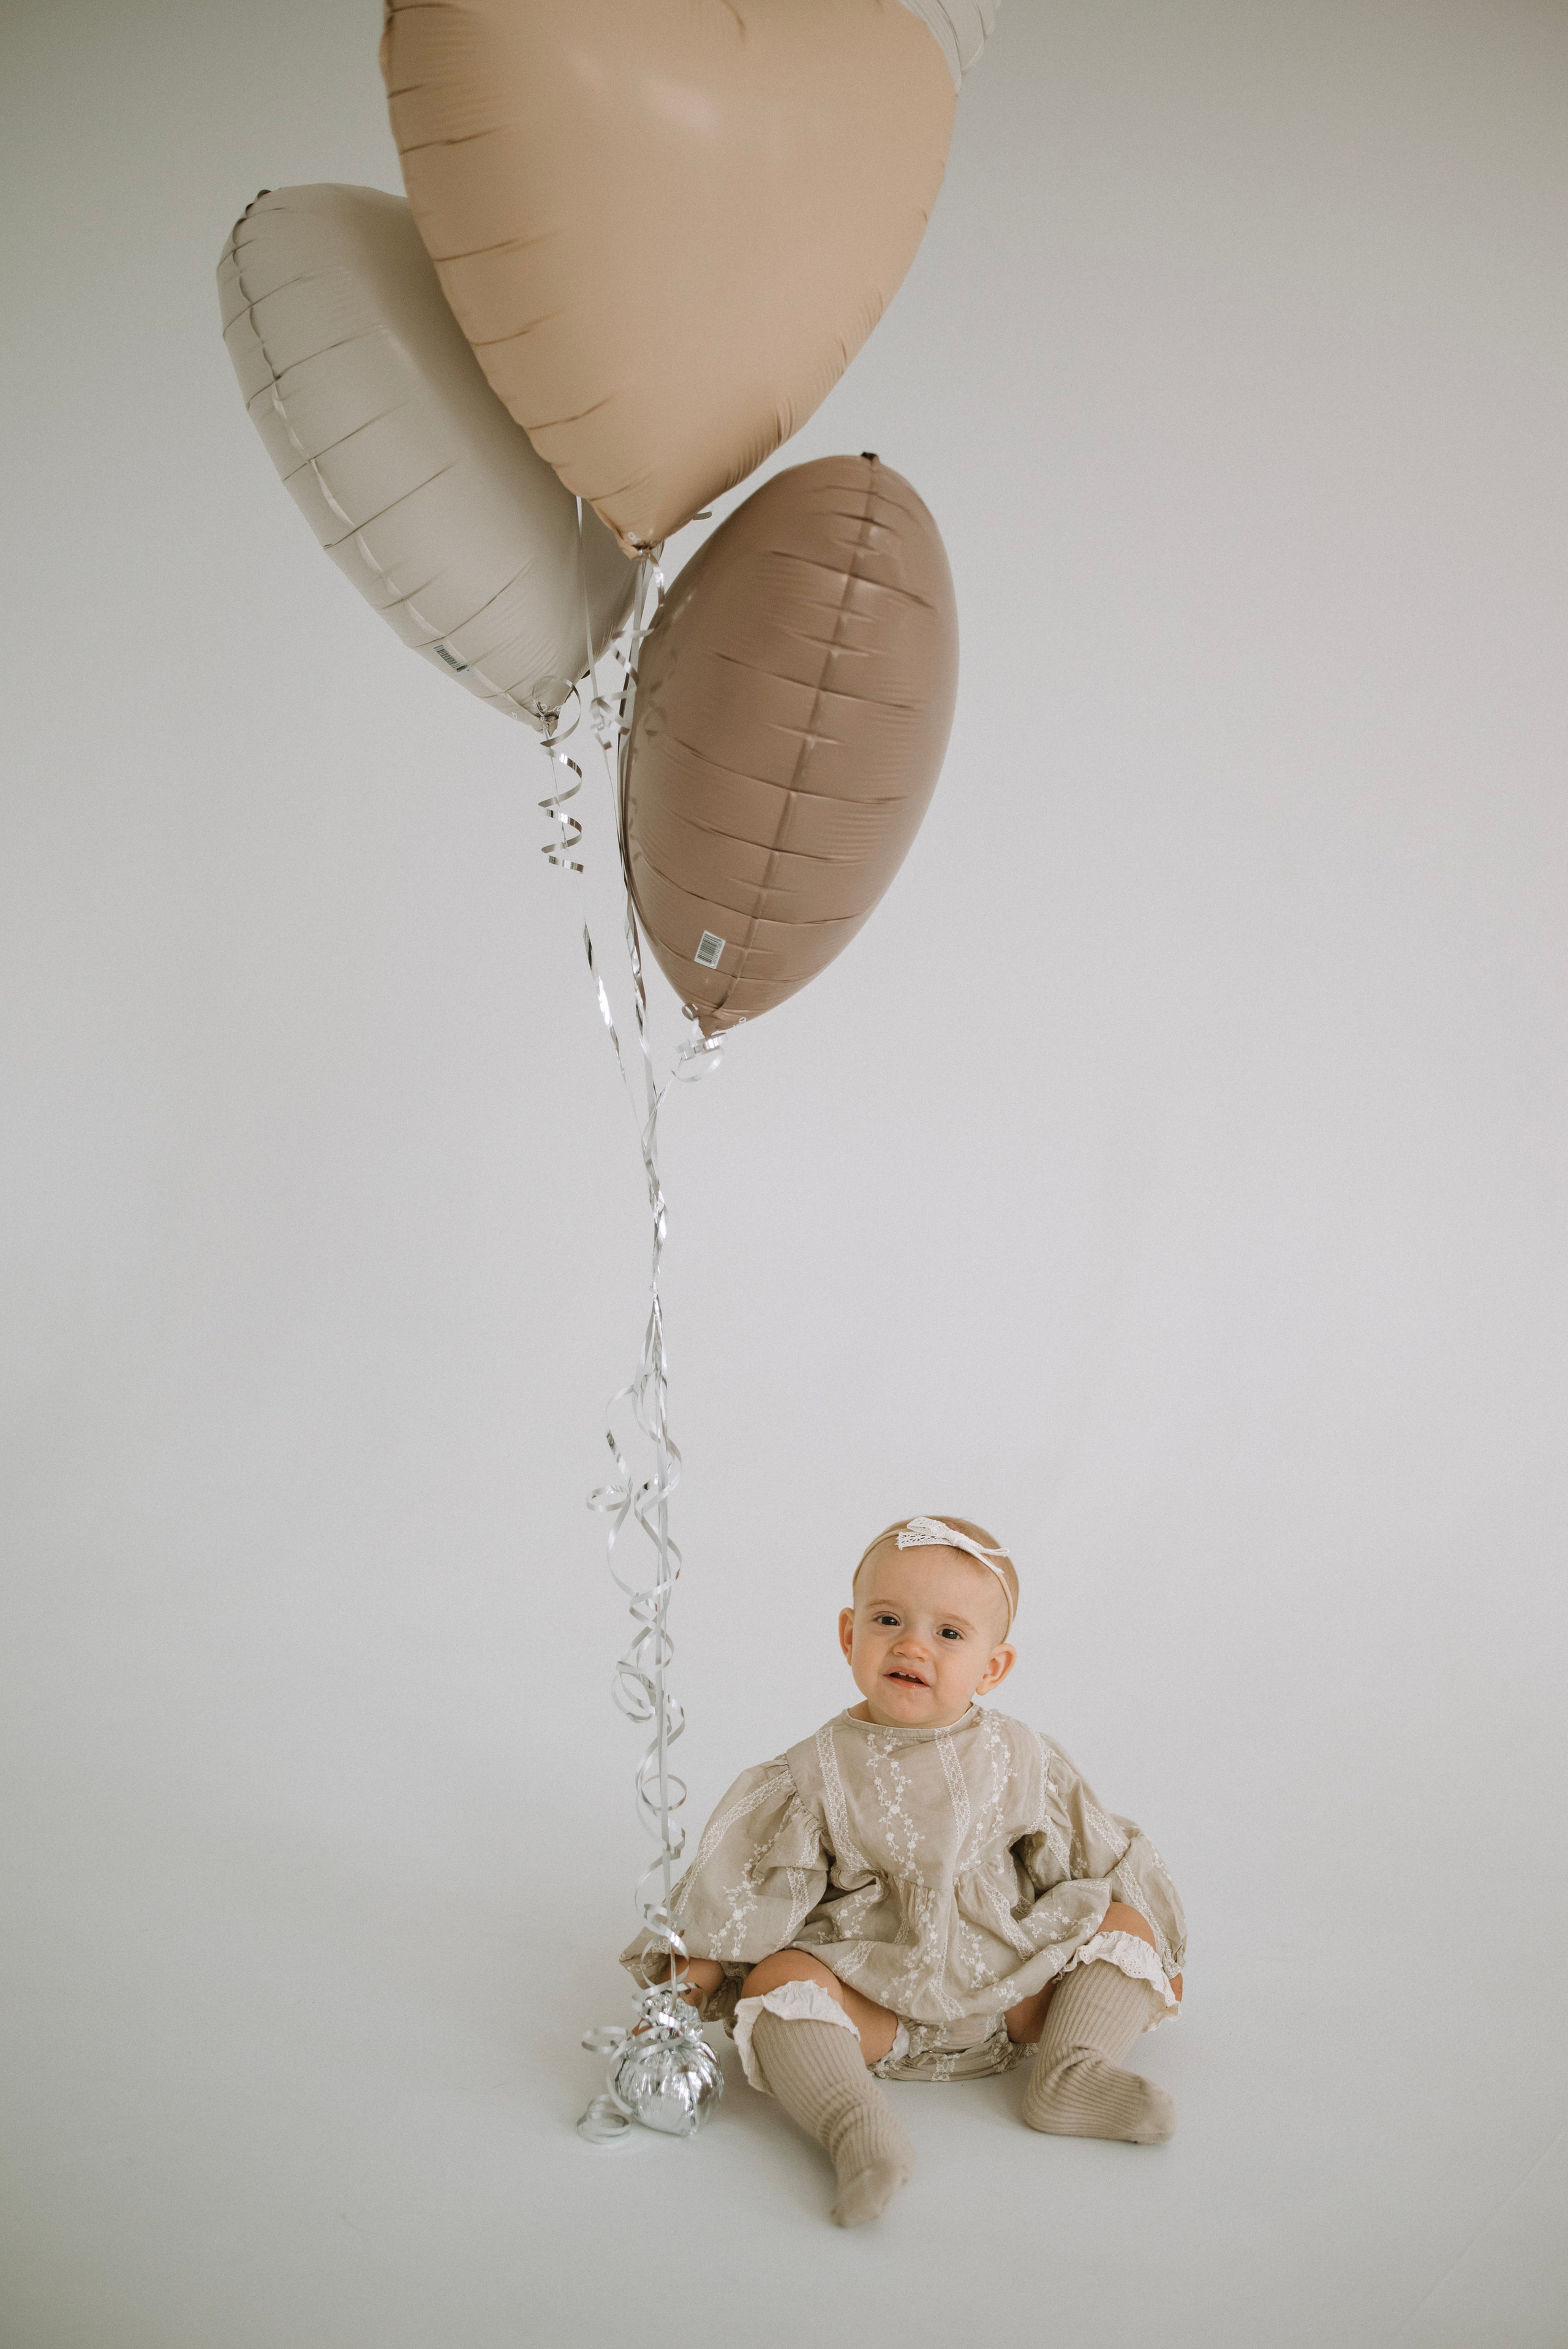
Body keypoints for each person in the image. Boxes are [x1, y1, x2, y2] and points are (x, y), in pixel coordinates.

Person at [622, 1515, 1186, 2225]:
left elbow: (1093, 1855)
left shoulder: (1019, 1756)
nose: (912, 1645)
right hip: (874, 2005)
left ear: (992, 1668)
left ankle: (1072, 2070)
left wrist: (1152, 1955)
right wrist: (683, 1993)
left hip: (1016, 1998)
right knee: (776, 1983)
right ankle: (855, 2124)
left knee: (1124, 1917)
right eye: (888, 1620)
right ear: (848, 1634)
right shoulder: (813, 1772)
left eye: (948, 1633)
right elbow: (741, 1895)